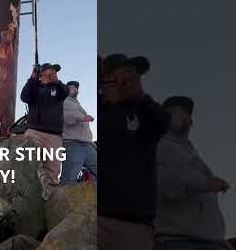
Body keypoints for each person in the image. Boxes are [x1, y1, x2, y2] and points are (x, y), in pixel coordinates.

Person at [98, 54, 170, 250]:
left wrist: (139, 97)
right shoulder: (98, 110)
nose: (132, 79)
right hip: (99, 216)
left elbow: (163, 122)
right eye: (125, 73)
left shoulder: (144, 111)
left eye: (134, 74)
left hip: (136, 219)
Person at [155, 96, 233, 250]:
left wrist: (219, 239)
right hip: (179, 242)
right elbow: (165, 182)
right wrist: (204, 183)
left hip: (207, 241)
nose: (186, 116)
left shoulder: (189, 151)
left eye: (188, 113)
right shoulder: (160, 145)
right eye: (179, 112)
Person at [20, 62, 69, 201]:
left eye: (54, 72)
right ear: (42, 74)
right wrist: (33, 76)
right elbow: (24, 96)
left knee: (53, 172)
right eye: (49, 72)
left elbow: (65, 92)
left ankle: (50, 203)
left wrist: (57, 81)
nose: (52, 74)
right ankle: (27, 198)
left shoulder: (59, 88)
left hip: (54, 136)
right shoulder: (35, 87)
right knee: (29, 163)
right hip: (34, 132)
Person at [60, 80, 97, 185]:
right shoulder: (63, 102)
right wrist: (82, 118)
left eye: (75, 87)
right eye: (71, 87)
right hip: (73, 145)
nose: (74, 88)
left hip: (88, 146)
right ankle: (60, 201)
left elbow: (84, 131)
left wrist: (91, 143)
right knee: (68, 180)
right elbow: (65, 118)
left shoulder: (77, 105)